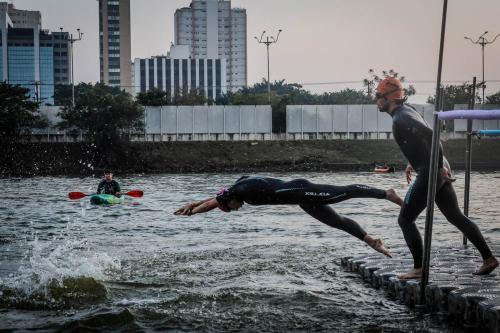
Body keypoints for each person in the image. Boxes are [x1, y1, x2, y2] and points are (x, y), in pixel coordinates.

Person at [375, 77, 498, 278]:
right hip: (434, 168)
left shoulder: (400, 117)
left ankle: (419, 268)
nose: (376, 101)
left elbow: (433, 135)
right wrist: (413, 163)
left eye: (378, 96)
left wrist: (438, 167)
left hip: (431, 171)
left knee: (405, 219)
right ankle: (489, 258)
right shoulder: (407, 111)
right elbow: (420, 140)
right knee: (455, 216)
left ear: (389, 98)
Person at [175, 176, 404, 258]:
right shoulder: (234, 190)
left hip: (300, 191)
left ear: (229, 200)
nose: (235, 210)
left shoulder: (239, 191)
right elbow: (215, 199)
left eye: (230, 208)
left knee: (341, 193)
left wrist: (193, 213)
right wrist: (192, 204)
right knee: (337, 222)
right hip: (301, 199)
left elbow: (212, 203)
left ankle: (386, 193)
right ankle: (372, 241)